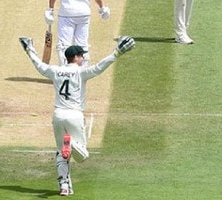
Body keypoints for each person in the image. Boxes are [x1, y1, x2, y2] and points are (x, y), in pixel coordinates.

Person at [19, 36, 136, 196]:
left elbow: (39, 65)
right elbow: (99, 67)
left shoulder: (55, 71)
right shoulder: (81, 72)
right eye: (81, 55)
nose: (83, 58)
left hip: (58, 115)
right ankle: (71, 143)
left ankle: (64, 186)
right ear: (75, 57)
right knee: (82, 156)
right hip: (74, 115)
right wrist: (116, 53)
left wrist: (29, 49)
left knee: (61, 153)